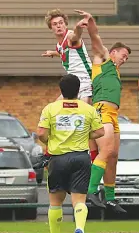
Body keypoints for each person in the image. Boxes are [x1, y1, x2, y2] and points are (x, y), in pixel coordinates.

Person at [36, 74, 105, 233]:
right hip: (81, 158)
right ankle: (80, 229)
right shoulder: (88, 109)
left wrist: (49, 140)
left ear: (61, 90)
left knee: (55, 202)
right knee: (79, 200)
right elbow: (100, 131)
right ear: (78, 89)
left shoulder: (50, 108)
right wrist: (84, 136)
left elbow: (41, 133)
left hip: (58, 159)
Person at [74, 9, 131, 214]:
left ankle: (110, 198)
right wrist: (91, 22)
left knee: (113, 155)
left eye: (126, 58)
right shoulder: (104, 60)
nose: (124, 59)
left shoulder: (114, 71)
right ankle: (90, 190)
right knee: (105, 151)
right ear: (113, 52)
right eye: (123, 55)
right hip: (101, 111)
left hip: (113, 115)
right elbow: (95, 38)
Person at [42, 9, 98, 161]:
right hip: (72, 85)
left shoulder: (71, 37)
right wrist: (52, 53)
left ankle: (93, 158)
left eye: (61, 23)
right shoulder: (59, 45)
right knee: (53, 111)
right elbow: (62, 52)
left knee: (84, 120)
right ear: (51, 27)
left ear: (65, 24)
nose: (58, 26)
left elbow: (76, 36)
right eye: (55, 24)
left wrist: (80, 26)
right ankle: (49, 153)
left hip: (85, 82)